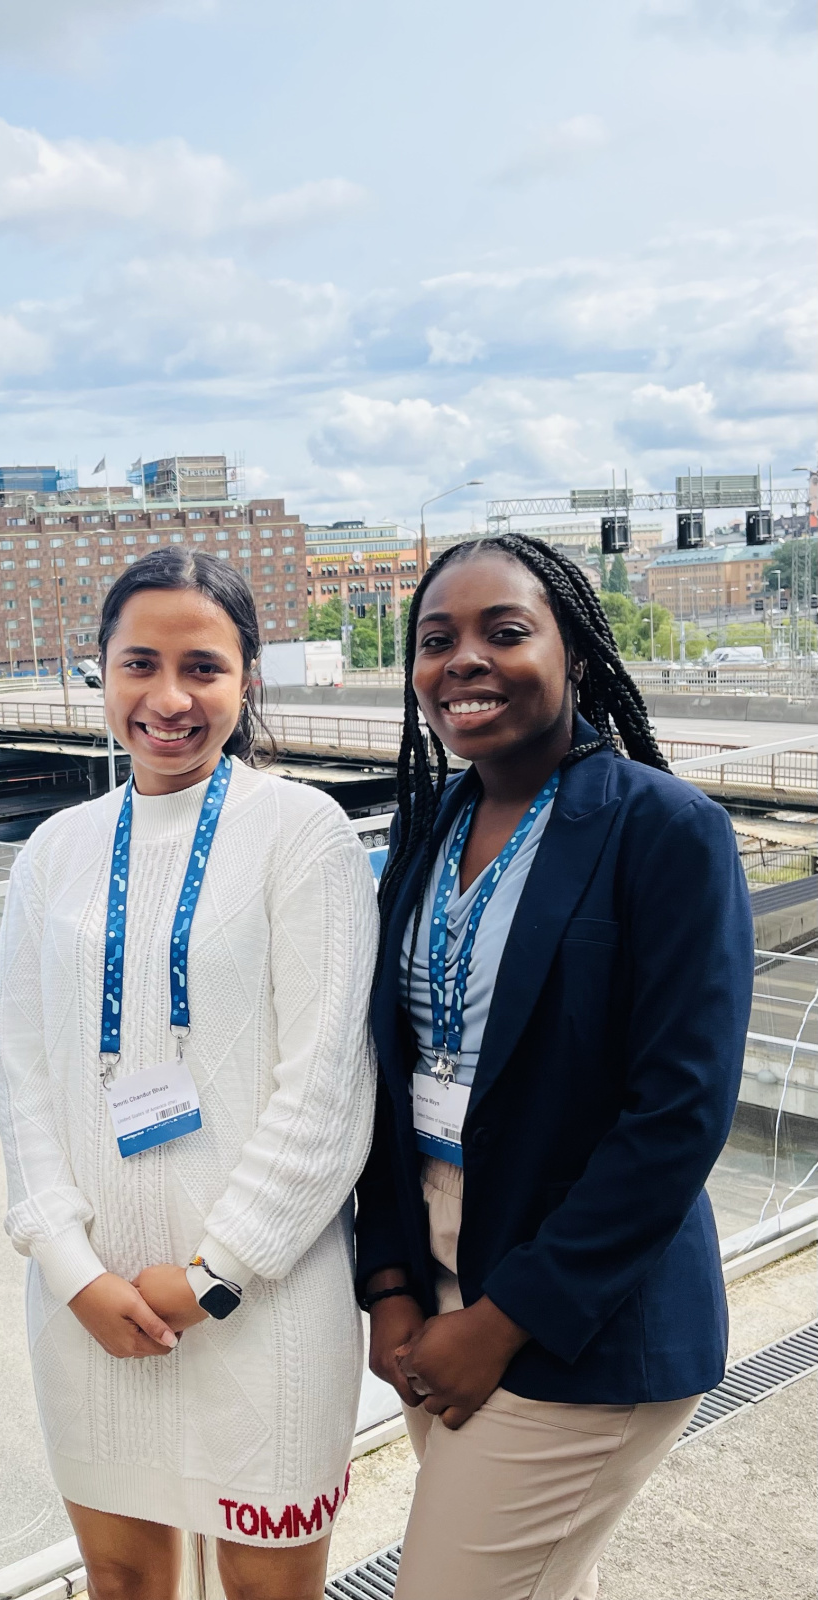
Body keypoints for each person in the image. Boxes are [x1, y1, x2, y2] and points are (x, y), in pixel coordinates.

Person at [356, 534, 752, 1600]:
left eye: (505, 631)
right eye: (437, 640)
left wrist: (500, 1321)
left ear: (574, 650)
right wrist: (390, 1281)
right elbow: (387, 1074)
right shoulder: (427, 826)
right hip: (439, 1271)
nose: (463, 661)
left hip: (581, 1314)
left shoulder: (666, 833)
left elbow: (676, 1117)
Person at [0, 550, 378, 1600]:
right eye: (139, 663)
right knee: (120, 1583)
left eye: (202, 667)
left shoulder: (302, 835)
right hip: (89, 1305)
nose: (168, 698)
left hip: (263, 1301)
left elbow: (327, 1089)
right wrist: (74, 1271)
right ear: (100, 673)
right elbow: (19, 1075)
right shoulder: (53, 853)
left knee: (269, 1590)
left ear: (249, 677)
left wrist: (217, 1271)